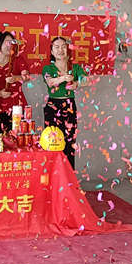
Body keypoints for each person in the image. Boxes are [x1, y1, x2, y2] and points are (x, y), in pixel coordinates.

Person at [42, 36, 87, 169]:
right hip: (52, 106)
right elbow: (50, 82)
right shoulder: (48, 68)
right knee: (52, 141)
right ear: (52, 51)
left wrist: (77, 84)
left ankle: (69, 176)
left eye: (63, 47)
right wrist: (64, 78)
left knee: (69, 142)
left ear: (68, 50)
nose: (60, 50)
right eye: (56, 47)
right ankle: (52, 175)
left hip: (69, 105)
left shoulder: (75, 67)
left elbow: (87, 80)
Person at [0, 31, 30, 136]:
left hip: (17, 108)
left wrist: (16, 78)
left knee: (18, 138)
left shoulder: (18, 60)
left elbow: (27, 76)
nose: (9, 45)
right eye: (7, 42)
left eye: (12, 43)